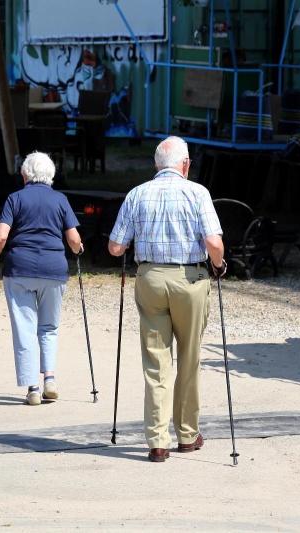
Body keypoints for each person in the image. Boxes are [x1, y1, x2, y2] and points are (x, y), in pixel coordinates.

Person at [107, 136, 226, 463]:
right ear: (185, 165)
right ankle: (187, 435)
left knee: (156, 362)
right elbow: (214, 244)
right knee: (190, 358)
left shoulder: (137, 194)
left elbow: (115, 247)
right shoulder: (198, 192)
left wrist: (129, 245)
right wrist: (219, 265)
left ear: (156, 165)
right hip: (190, 280)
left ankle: (157, 442)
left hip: (152, 279)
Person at [0, 152, 83, 406]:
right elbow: (73, 239)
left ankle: (32, 388)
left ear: (25, 174)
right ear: (50, 175)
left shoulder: (14, 199)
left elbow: (0, 237)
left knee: (25, 329)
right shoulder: (60, 199)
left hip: (20, 269)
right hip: (54, 270)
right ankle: (50, 378)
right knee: (49, 327)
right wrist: (79, 251)